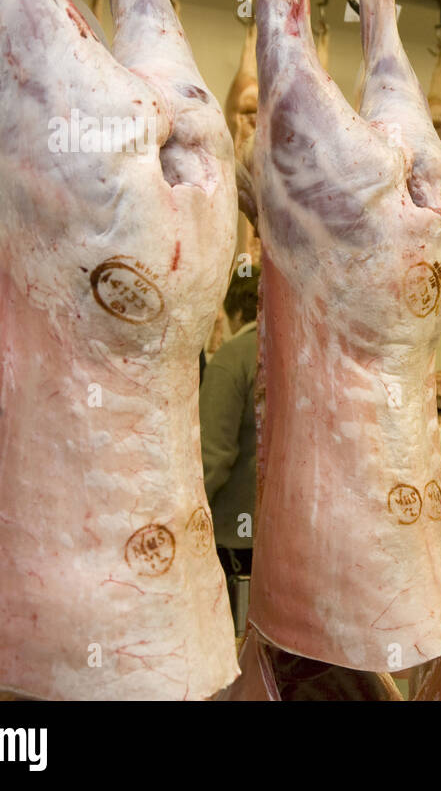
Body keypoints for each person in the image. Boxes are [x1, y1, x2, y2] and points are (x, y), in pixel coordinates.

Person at [199, 266, 260, 626]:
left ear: (235, 311)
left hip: (237, 537)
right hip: (290, 535)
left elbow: (213, 457)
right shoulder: (302, 349)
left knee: (238, 643)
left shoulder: (233, 358)